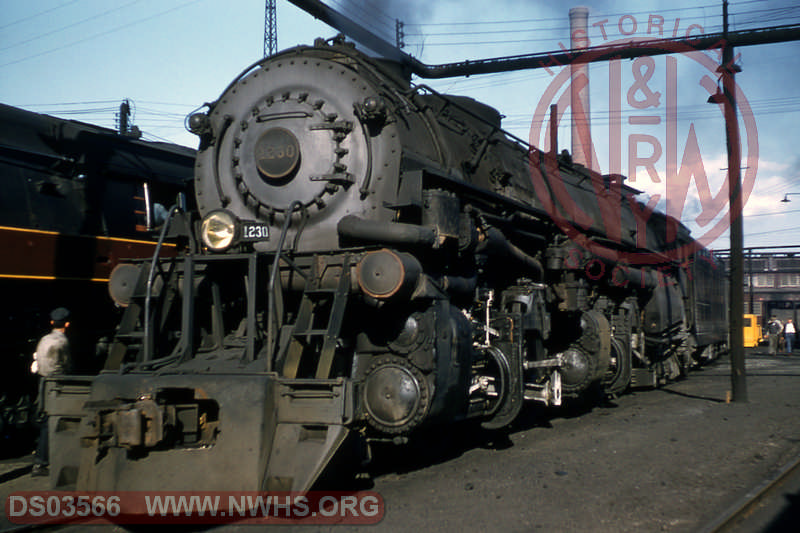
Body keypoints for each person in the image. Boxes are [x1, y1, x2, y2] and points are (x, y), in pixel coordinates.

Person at [30, 307, 72, 477]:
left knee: (46, 419)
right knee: (52, 422)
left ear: (51, 322)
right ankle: (41, 462)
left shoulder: (44, 339)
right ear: (67, 324)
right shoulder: (62, 342)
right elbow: (66, 365)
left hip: (43, 382)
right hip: (56, 384)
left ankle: (42, 459)